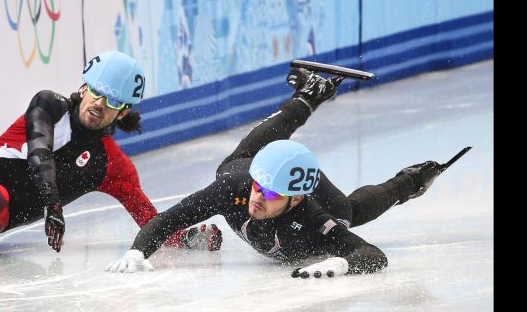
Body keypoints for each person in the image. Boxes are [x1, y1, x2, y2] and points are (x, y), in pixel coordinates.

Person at [0, 0, 223, 252]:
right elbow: (40, 152)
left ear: (124, 112)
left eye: (112, 101)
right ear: (83, 85)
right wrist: (53, 205)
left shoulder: (112, 166)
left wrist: (186, 237)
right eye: (96, 91)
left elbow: (147, 217)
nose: (99, 103)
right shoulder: (49, 105)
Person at [105, 68, 442, 277]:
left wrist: (343, 264)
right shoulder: (237, 188)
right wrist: (138, 251)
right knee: (237, 163)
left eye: (271, 194)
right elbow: (166, 221)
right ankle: (308, 97)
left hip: (321, 199)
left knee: (347, 213)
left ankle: (408, 182)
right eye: (259, 187)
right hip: (244, 171)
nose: (258, 198)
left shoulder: (317, 220)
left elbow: (371, 255)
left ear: (296, 199)